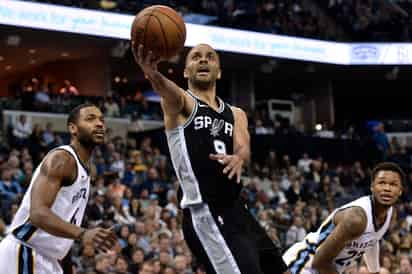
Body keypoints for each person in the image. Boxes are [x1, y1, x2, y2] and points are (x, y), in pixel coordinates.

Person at [135, 43, 288, 273]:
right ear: (186, 72)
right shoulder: (181, 104)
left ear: (219, 71)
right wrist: (152, 72)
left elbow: (243, 147)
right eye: (195, 57)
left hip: (238, 210)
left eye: (210, 57)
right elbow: (166, 89)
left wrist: (239, 158)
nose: (203, 60)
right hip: (205, 211)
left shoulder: (236, 113)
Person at [0, 104, 116, 274]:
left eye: (101, 120)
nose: (99, 124)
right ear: (73, 128)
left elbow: (65, 227)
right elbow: (38, 213)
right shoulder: (61, 159)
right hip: (25, 252)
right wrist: (83, 234)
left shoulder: (88, 169)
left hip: (49, 260)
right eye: (90, 119)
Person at [283, 162, 404, 274]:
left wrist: (375, 271)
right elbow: (320, 262)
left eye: (393, 184)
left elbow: (373, 240)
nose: (387, 188)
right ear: (372, 186)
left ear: (400, 191)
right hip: (303, 264)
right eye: (382, 183)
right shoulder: (356, 219)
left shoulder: (389, 213)